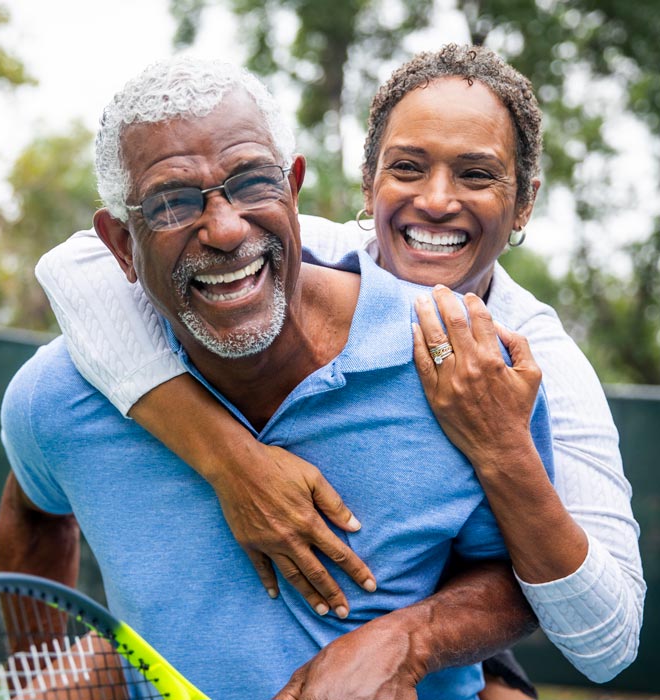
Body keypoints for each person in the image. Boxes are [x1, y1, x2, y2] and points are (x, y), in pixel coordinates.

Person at [33, 44, 645, 696]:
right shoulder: (289, 252)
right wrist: (232, 460)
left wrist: (501, 449)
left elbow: (607, 643)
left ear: (523, 203)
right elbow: (75, 268)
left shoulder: (540, 359)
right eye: (407, 167)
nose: (436, 201)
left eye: (475, 175)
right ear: (368, 182)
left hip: (454, 612)